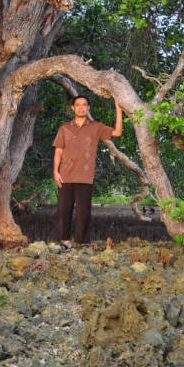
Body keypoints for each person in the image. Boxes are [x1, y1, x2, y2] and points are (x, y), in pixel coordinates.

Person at [52, 95, 123, 250]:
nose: (81, 107)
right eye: (78, 105)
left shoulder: (96, 127)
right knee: (63, 210)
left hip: (85, 177)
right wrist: (55, 172)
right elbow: (58, 150)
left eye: (84, 105)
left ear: (88, 108)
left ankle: (82, 242)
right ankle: (64, 242)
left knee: (83, 212)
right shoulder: (65, 128)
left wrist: (119, 109)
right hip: (65, 175)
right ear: (73, 108)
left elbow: (117, 133)